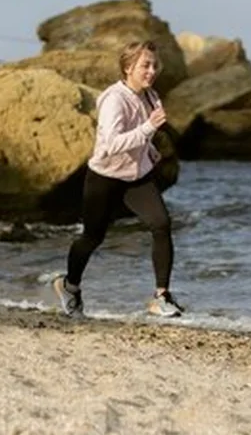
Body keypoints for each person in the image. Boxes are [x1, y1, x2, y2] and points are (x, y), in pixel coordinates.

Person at [53, 40, 184, 318]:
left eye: (154, 65)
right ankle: (69, 285)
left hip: (137, 177)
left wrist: (150, 151)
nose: (151, 71)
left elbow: (142, 134)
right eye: (145, 65)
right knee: (92, 237)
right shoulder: (114, 99)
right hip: (105, 177)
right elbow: (111, 144)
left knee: (161, 224)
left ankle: (161, 297)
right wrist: (149, 128)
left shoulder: (151, 96)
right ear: (128, 68)